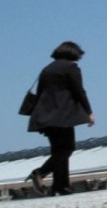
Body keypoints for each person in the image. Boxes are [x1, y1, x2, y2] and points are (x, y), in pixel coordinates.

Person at [25, 41, 95, 196]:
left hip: (44, 115)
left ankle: (60, 186)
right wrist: (88, 112)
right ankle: (40, 173)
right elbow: (79, 91)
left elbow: (41, 92)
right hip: (62, 115)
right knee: (67, 148)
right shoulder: (71, 67)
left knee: (59, 151)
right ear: (73, 53)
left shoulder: (47, 69)